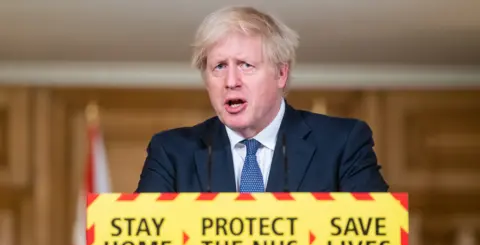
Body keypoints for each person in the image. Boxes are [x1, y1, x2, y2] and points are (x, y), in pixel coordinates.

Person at [136, 6, 388, 192]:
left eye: (245, 65)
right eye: (220, 66)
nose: (231, 81)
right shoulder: (171, 152)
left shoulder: (342, 143)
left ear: (281, 73)